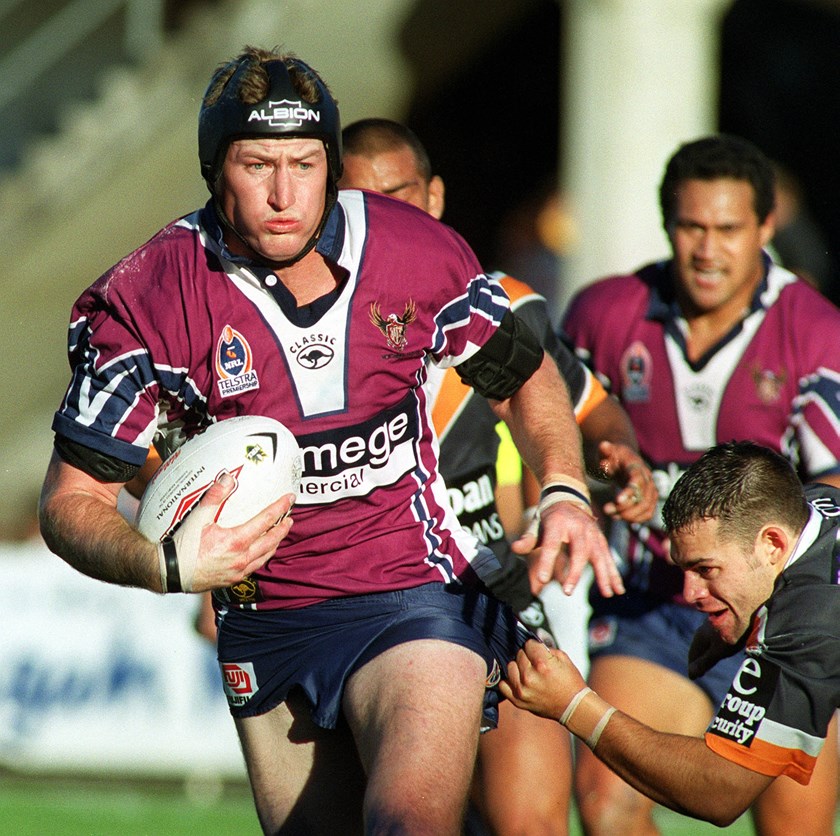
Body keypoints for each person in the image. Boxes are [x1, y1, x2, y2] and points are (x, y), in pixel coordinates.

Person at [38, 46, 625, 835]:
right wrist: (164, 563)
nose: (284, 194)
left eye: (306, 163)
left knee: (408, 823)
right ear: (215, 170)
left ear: (330, 162)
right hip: (266, 615)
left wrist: (563, 489)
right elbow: (70, 502)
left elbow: (526, 373)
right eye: (257, 164)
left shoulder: (414, 251)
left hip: (416, 594)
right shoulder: (146, 296)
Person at [339, 117, 657, 835]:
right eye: (366, 200)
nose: (388, 214)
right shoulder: (312, 325)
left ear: (437, 195)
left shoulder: (502, 304)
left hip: (492, 587)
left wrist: (616, 458)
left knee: (530, 820)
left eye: (402, 193)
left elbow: (593, 407)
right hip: (365, 594)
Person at [562, 133, 840, 836]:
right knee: (606, 798)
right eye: (691, 227)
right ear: (667, 226)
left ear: (766, 228)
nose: (708, 250)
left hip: (786, 614)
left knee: (790, 825)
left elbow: (831, 495)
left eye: (728, 229)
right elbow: (556, 440)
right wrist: (605, 476)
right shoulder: (603, 313)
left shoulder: (815, 330)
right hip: (654, 606)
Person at [500, 440, 840, 830]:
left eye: (706, 570)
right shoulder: (813, 508)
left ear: (772, 543)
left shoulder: (812, 624)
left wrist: (574, 705)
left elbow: (721, 791)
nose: (691, 593)